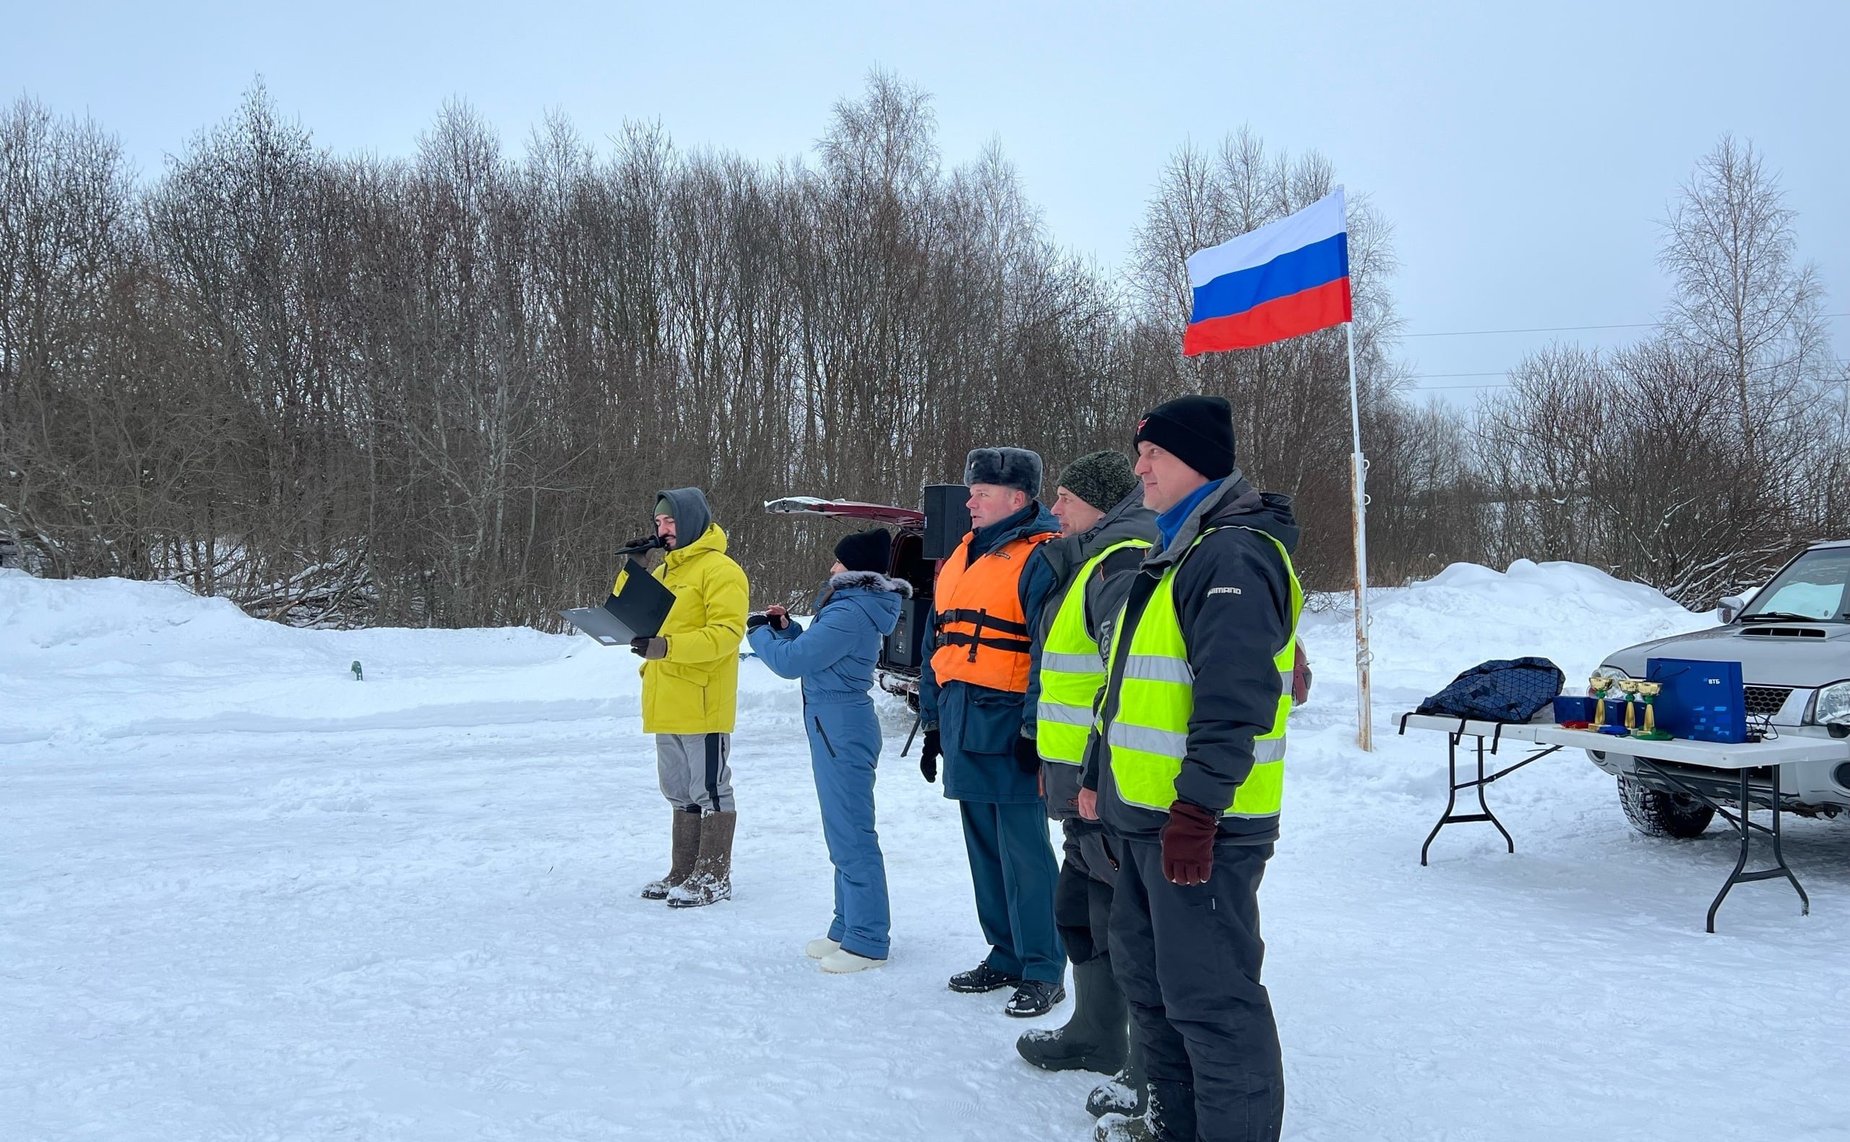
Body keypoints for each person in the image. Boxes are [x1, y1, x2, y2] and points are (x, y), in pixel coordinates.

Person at [1081, 396, 1303, 1142]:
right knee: (1154, 994)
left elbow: (1233, 699)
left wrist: (1198, 810)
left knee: (1212, 1005)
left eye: (1155, 455)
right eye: (1139, 452)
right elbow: (1127, 691)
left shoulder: (1233, 553)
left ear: (1199, 463)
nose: (1139, 466)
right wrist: (1102, 787)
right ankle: (1171, 1127)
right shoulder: (1175, 548)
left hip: (1204, 830)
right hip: (1147, 821)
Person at [1013, 452, 1157, 1084]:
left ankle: (1140, 1056)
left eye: (1067, 497)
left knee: (1121, 915)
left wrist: (1093, 775)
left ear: (1099, 502)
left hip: (1109, 782)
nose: (1057, 509)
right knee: (1084, 903)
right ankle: (1094, 1033)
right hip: (1078, 776)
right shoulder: (1092, 560)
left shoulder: (1121, 563)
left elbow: (1124, 683)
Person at [917, 446, 1066, 1018]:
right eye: (971, 490)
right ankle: (1004, 954)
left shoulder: (1040, 558)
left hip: (1008, 725)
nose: (971, 501)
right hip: (961, 720)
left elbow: (1049, 653)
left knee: (1025, 850)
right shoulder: (963, 555)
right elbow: (938, 642)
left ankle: (1043, 967)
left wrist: (1035, 730)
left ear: (1017, 499)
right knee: (983, 847)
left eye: (981, 492)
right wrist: (931, 722)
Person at [746, 528, 908, 974]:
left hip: (840, 725)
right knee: (841, 831)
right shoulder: (849, 608)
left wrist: (759, 633)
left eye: (838, 562)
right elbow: (814, 653)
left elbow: (791, 662)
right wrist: (787, 629)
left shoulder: (851, 612)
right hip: (833, 721)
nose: (831, 568)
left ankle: (868, 939)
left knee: (852, 833)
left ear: (855, 570)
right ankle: (846, 926)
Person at [631, 487, 749, 909]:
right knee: (678, 789)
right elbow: (629, 612)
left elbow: (727, 634)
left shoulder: (721, 570)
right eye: (659, 523)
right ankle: (684, 871)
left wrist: (667, 647)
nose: (663, 531)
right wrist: (635, 567)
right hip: (665, 696)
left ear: (693, 521)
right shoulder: (665, 572)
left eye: (671, 522)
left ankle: (714, 876)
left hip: (702, 699)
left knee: (710, 789)